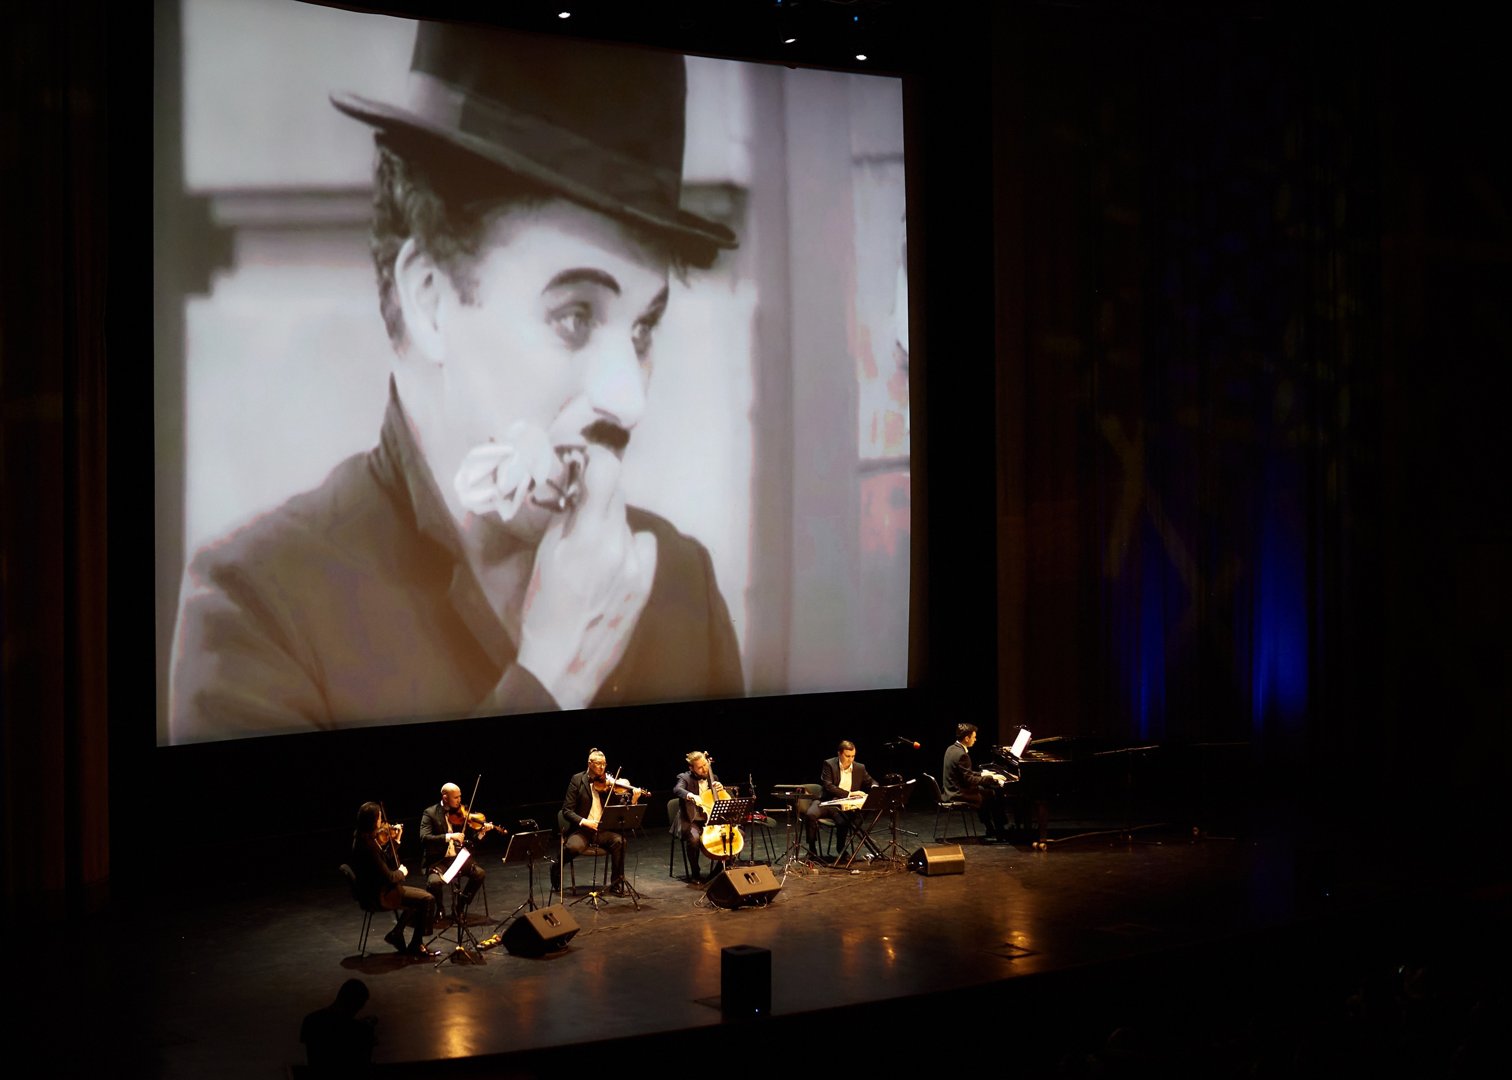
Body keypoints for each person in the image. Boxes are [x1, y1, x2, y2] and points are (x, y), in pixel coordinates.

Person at [167, 21, 744, 743]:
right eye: (574, 317)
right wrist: (551, 679)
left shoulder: (678, 586)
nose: (628, 399)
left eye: (643, 330)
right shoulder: (261, 610)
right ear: (431, 299)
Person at [350, 801, 437, 956]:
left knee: (419, 900)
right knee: (427, 899)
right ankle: (415, 944)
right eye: (379, 818)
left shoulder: (362, 839)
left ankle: (397, 932)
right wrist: (401, 872)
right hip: (380, 895)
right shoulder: (369, 846)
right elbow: (390, 877)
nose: (382, 821)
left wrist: (396, 841)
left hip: (375, 890)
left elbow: (383, 861)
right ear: (373, 820)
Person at [556, 748, 629, 896]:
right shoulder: (577, 780)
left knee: (620, 841)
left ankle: (616, 883)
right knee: (573, 847)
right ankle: (556, 868)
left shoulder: (608, 784)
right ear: (590, 764)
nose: (602, 767)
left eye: (604, 764)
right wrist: (584, 822)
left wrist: (632, 798)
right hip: (582, 830)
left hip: (601, 831)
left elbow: (618, 804)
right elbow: (567, 810)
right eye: (598, 764)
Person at [419, 783, 494, 919]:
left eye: (460, 796)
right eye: (456, 797)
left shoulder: (462, 813)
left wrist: (481, 833)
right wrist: (449, 836)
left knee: (479, 874)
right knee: (434, 883)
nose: (459, 800)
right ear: (445, 797)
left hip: (457, 859)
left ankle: (460, 905)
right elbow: (424, 838)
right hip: (438, 861)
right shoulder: (430, 813)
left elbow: (471, 841)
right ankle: (440, 908)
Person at [806, 739, 876, 859]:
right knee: (810, 814)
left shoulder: (859, 767)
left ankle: (841, 849)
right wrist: (850, 794)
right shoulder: (829, 764)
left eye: (853, 756)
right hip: (826, 801)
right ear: (839, 754)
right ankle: (812, 849)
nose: (850, 759)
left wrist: (874, 787)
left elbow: (871, 781)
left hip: (843, 805)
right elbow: (828, 786)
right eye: (847, 756)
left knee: (844, 821)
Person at [942, 723, 1010, 839]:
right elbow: (969, 779)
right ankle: (1000, 830)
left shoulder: (951, 749)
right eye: (974, 737)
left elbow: (965, 774)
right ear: (966, 738)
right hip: (958, 794)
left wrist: (982, 774)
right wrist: (992, 778)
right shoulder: (962, 755)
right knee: (992, 793)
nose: (975, 739)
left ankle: (990, 828)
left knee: (985, 791)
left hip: (950, 790)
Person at [299, 978, 376, 1073]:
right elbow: (362, 1065)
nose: (357, 1011)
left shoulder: (311, 1020)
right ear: (354, 1004)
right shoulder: (360, 1030)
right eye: (359, 1007)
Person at [672, 750, 725, 881]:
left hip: (710, 820)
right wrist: (690, 795)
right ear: (692, 768)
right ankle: (695, 872)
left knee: (737, 835)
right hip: (692, 820)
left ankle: (718, 871)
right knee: (694, 839)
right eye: (700, 767)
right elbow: (677, 789)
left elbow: (719, 798)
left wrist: (721, 788)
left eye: (705, 765)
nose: (704, 769)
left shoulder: (713, 777)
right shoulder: (684, 777)